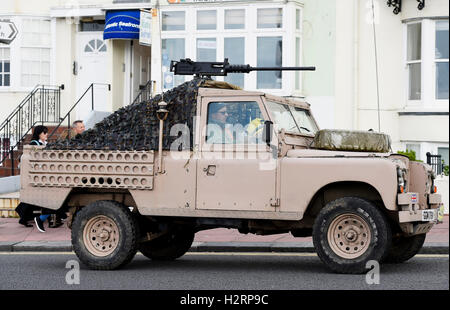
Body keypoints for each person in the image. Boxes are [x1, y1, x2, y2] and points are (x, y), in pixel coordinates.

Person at [16, 126, 49, 228]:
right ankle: (23, 216)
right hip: (35, 174)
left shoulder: (43, 143)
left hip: (40, 174)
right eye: (44, 133)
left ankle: (24, 215)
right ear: (39, 134)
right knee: (33, 197)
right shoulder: (34, 144)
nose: (46, 134)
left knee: (35, 197)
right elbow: (35, 155)